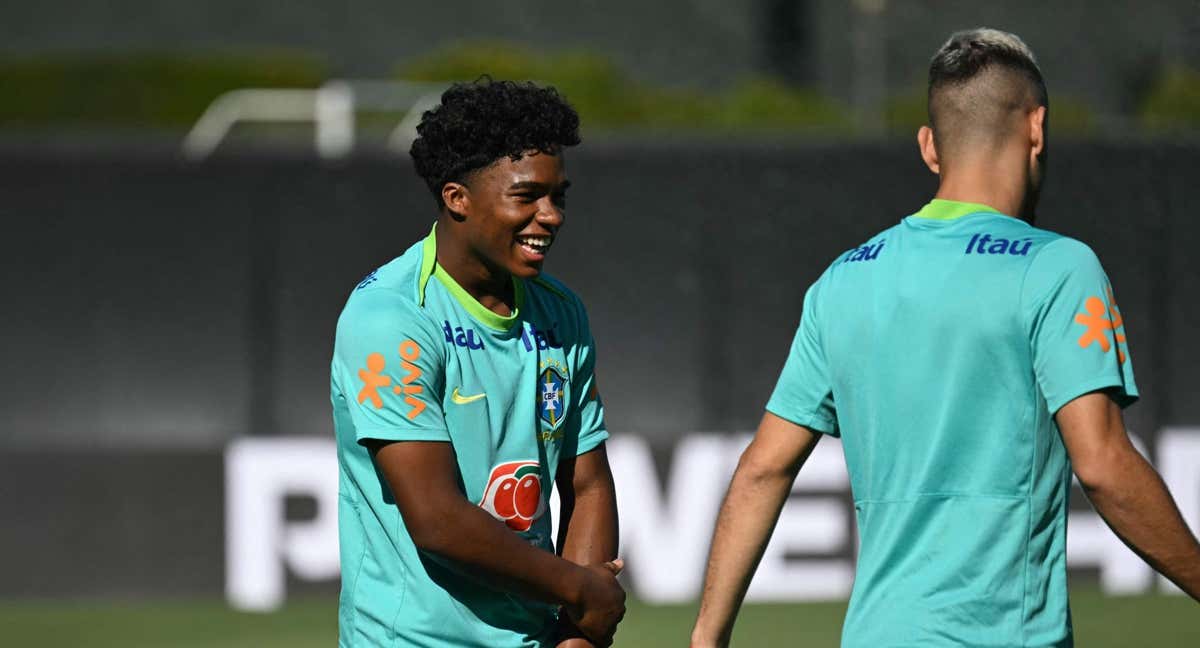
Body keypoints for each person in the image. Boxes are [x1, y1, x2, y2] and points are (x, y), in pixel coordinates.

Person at [690, 28, 1200, 647]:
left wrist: (706, 639)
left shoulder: (842, 281)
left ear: (930, 148)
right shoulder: (1056, 268)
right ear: (1036, 129)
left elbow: (761, 471)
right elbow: (1103, 465)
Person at [331, 79, 624, 648]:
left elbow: (586, 483)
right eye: (526, 196)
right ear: (456, 197)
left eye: (558, 195)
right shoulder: (390, 319)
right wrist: (582, 590)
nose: (552, 215)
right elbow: (437, 521)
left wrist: (578, 634)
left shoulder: (560, 312)